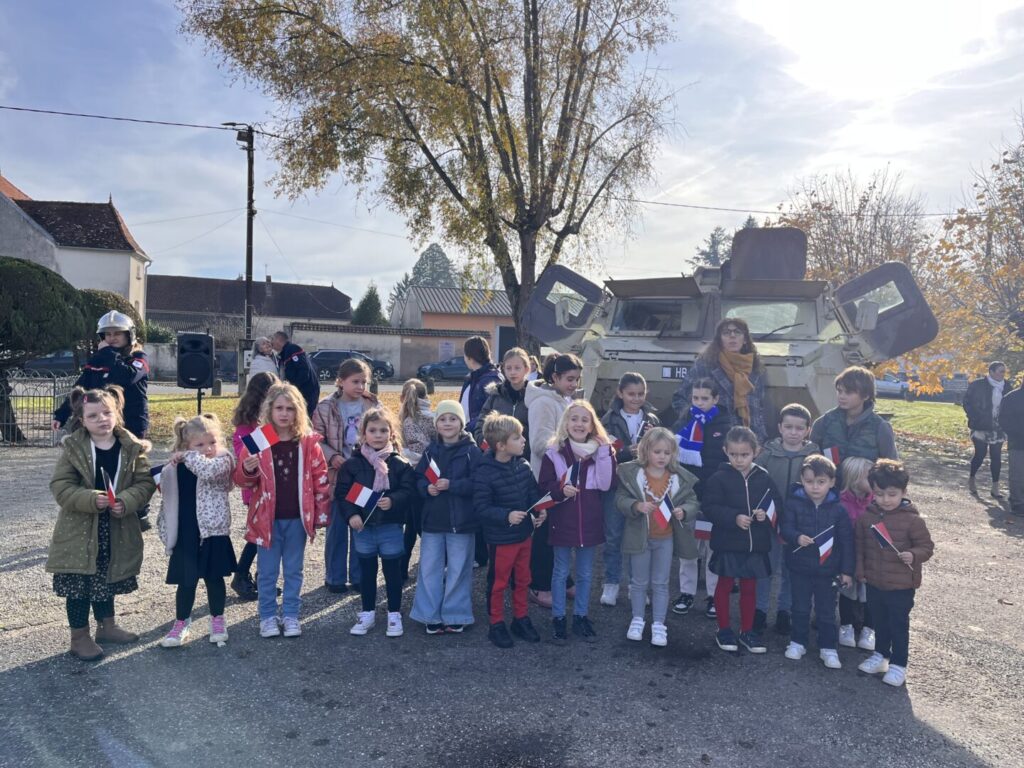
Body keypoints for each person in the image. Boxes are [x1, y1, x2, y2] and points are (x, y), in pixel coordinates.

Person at [47, 386, 156, 661]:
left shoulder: (131, 447)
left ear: (117, 413)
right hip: (80, 528)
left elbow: (144, 483)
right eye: (93, 416)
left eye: (107, 413)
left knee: (106, 577)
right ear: (82, 420)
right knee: (79, 584)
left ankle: (107, 626)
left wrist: (127, 501)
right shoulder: (73, 448)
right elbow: (61, 486)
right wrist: (90, 498)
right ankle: (79, 637)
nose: (102, 419)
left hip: (116, 526)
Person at [233, 382, 331, 639]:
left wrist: (320, 513)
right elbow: (241, 481)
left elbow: (320, 478)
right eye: (279, 408)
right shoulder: (259, 439)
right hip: (267, 519)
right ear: (270, 409)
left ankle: (290, 615)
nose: (284, 413)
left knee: (294, 570)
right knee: (267, 573)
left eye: (290, 408)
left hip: (298, 519)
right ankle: (267, 616)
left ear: (299, 411)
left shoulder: (308, 442)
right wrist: (248, 469)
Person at [52, 310, 152, 529]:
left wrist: (108, 354)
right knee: (104, 461)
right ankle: (103, 502)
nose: (112, 338)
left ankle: (139, 511)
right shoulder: (99, 360)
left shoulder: (138, 359)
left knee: (133, 466)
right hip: (102, 422)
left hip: (132, 421)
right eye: (108, 334)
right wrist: (62, 413)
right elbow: (81, 388)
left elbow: (127, 376)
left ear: (129, 335)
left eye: (118, 333)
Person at [539, 400, 617, 644]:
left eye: (585, 419)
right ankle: (559, 618)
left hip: (590, 523)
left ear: (593, 425)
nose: (579, 424)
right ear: (566, 423)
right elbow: (544, 486)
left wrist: (604, 452)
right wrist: (561, 490)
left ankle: (581, 616)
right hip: (562, 521)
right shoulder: (554, 452)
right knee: (560, 571)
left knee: (585, 573)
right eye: (574, 419)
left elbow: (606, 484)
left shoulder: (602, 452)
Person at [157, 414, 237, 648]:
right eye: (200, 444)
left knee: (214, 579)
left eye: (212, 442)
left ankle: (217, 619)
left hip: (213, 532)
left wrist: (187, 455)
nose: (208, 448)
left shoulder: (222, 460)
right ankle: (181, 622)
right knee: (186, 581)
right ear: (186, 444)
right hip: (187, 532)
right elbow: (168, 495)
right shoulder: (179, 466)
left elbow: (208, 472)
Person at [615, 427, 699, 647]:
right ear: (645, 451)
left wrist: (684, 511)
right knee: (639, 582)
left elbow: (692, 501)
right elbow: (620, 499)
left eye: (667, 453)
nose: (662, 457)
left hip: (665, 538)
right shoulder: (633, 474)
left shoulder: (678, 478)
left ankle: (659, 624)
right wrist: (636, 505)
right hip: (639, 537)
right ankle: (637, 619)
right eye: (657, 452)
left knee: (661, 583)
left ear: (673, 454)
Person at [337, 409, 417, 638]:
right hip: (363, 527)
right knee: (367, 572)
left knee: (393, 571)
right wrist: (351, 515)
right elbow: (343, 493)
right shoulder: (352, 464)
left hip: (391, 526)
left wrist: (393, 500)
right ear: (363, 434)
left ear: (391, 433)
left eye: (383, 430)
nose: (378, 435)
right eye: (372, 430)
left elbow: (409, 491)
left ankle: (394, 613)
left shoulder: (400, 464)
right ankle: (367, 612)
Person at [701, 426, 781, 654]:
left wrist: (765, 515)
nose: (739, 459)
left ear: (756, 451)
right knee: (725, 585)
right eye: (733, 454)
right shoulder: (718, 478)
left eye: (744, 454)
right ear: (725, 451)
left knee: (749, 588)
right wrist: (733, 517)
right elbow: (710, 507)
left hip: (755, 544)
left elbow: (776, 503)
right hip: (727, 542)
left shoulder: (764, 477)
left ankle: (747, 631)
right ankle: (723, 629)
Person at [855, 459, 934, 687]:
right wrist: (860, 571)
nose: (885, 500)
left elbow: (927, 547)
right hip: (874, 581)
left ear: (903, 492)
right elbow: (859, 547)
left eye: (892, 494)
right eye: (879, 494)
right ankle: (880, 655)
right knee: (879, 621)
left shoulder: (913, 520)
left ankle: (899, 665)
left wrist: (913, 554)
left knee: (898, 624)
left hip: (901, 585)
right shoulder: (866, 517)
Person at [473, 414, 545, 648]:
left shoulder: (523, 465)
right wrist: (506, 516)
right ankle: (496, 623)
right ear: (501, 445)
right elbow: (481, 507)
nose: (524, 440)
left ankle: (520, 618)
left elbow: (532, 493)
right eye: (517, 437)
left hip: (524, 536)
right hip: (501, 539)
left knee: (523, 579)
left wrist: (539, 510)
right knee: (499, 582)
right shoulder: (485, 471)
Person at [410, 401, 482, 634]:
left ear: (461, 423)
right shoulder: (430, 451)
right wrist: (426, 488)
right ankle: (429, 614)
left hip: (462, 522)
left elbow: (480, 483)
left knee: (459, 569)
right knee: (429, 568)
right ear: (436, 424)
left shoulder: (472, 452)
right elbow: (418, 479)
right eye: (442, 419)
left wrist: (453, 485)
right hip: (433, 520)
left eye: (453, 419)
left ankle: (456, 613)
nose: (447, 423)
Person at [780, 455, 854, 669]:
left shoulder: (839, 510)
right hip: (799, 566)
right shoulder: (793, 503)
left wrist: (847, 571)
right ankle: (798, 642)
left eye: (821, 482)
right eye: (809, 481)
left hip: (828, 570)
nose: (815, 487)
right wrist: (796, 537)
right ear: (802, 481)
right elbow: (785, 527)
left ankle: (828, 647)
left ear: (832, 482)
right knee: (800, 607)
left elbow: (847, 542)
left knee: (826, 611)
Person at [312, 358, 378, 594]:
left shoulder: (372, 404)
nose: (360, 386)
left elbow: (384, 433)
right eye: (355, 381)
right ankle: (335, 577)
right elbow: (315, 439)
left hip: (364, 475)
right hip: (337, 476)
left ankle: (359, 576)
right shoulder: (325, 407)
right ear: (340, 381)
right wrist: (332, 457)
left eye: (364, 382)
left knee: (361, 525)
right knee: (337, 527)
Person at [753, 403, 820, 634]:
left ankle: (785, 611)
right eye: (788, 427)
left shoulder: (814, 457)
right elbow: (755, 481)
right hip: (769, 521)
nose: (793, 432)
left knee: (791, 570)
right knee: (766, 567)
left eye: (799, 428)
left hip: (798, 524)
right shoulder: (767, 454)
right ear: (780, 427)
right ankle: (760, 610)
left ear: (808, 430)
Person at [525, 352, 583, 608]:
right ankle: (538, 585)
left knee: (560, 532)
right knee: (544, 534)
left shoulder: (566, 400)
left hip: (564, 478)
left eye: (577, 379)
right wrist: (572, 444)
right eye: (569, 379)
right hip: (545, 480)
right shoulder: (543, 403)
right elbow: (539, 444)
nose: (574, 384)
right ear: (554, 377)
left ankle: (563, 578)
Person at [600, 372, 660, 607]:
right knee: (613, 536)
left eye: (640, 394)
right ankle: (611, 583)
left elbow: (662, 451)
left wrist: (649, 447)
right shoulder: (608, 419)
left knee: (639, 537)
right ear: (620, 393)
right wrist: (626, 451)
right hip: (616, 484)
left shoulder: (652, 419)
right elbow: (602, 450)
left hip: (642, 486)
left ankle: (637, 585)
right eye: (631, 394)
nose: (636, 398)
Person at [674, 377, 732, 619]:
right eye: (695, 398)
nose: (699, 402)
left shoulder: (725, 425)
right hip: (690, 495)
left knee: (712, 547)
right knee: (689, 547)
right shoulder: (685, 421)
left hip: (715, 496)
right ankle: (686, 593)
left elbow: (729, 461)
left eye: (705, 398)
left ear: (715, 399)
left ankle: (712, 596)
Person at [670, 318, 768, 443]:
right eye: (726, 333)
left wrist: (759, 440)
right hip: (713, 440)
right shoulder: (706, 364)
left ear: (745, 339)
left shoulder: (754, 368)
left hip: (746, 442)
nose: (732, 336)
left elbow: (758, 409)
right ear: (719, 340)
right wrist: (698, 422)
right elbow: (680, 399)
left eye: (737, 332)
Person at [229, 371, 279, 600]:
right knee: (258, 535)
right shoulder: (246, 427)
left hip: (274, 487)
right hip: (256, 488)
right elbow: (246, 456)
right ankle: (241, 575)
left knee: (269, 536)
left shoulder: (264, 423)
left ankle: (262, 577)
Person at [810, 366, 898, 467]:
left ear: (866, 396)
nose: (842, 396)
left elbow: (891, 467)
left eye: (848, 392)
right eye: (839, 391)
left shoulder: (880, 428)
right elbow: (810, 460)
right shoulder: (824, 423)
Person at [837, 457, 875, 651]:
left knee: (869, 593)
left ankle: (869, 629)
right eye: (869, 477)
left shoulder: (876, 501)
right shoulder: (841, 502)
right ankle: (846, 626)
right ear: (854, 479)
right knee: (847, 591)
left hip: (870, 556)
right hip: (849, 555)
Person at [474, 347, 532, 458]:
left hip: (526, 458)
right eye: (508, 368)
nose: (512, 372)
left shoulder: (534, 397)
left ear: (526, 369)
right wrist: (488, 446)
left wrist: (523, 449)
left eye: (517, 368)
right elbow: (480, 425)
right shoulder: (496, 395)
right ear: (503, 369)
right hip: (498, 459)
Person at [963, 361, 1009, 498]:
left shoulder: (1007, 386)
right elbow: (967, 402)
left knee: (996, 456)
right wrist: (975, 417)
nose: (1003, 374)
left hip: (998, 427)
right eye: (1001, 371)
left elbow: (1010, 405)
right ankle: (972, 479)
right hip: (981, 426)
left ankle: (995, 488)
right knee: (980, 454)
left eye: (1004, 371)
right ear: (991, 372)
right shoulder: (978, 385)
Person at [459, 335, 502, 435]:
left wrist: (468, 428)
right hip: (467, 433)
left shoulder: (492, 379)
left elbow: (493, 412)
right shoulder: (471, 378)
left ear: (470, 357)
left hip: (480, 435)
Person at [271, 331, 320, 418]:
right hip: (300, 393)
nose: (271, 342)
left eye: (273, 339)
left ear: (278, 340)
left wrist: (293, 389)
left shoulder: (292, 349)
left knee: (303, 418)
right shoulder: (284, 353)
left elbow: (304, 371)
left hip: (306, 393)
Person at [999, 383, 1024, 516]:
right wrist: (1018, 433)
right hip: (1018, 443)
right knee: (1018, 475)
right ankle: (1017, 504)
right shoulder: (1012, 397)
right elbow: (1003, 420)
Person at [399, 378, 435, 464]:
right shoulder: (437, 418)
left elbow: (417, 453)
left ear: (401, 398)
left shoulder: (409, 422)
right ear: (426, 397)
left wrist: (398, 452)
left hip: (419, 468)